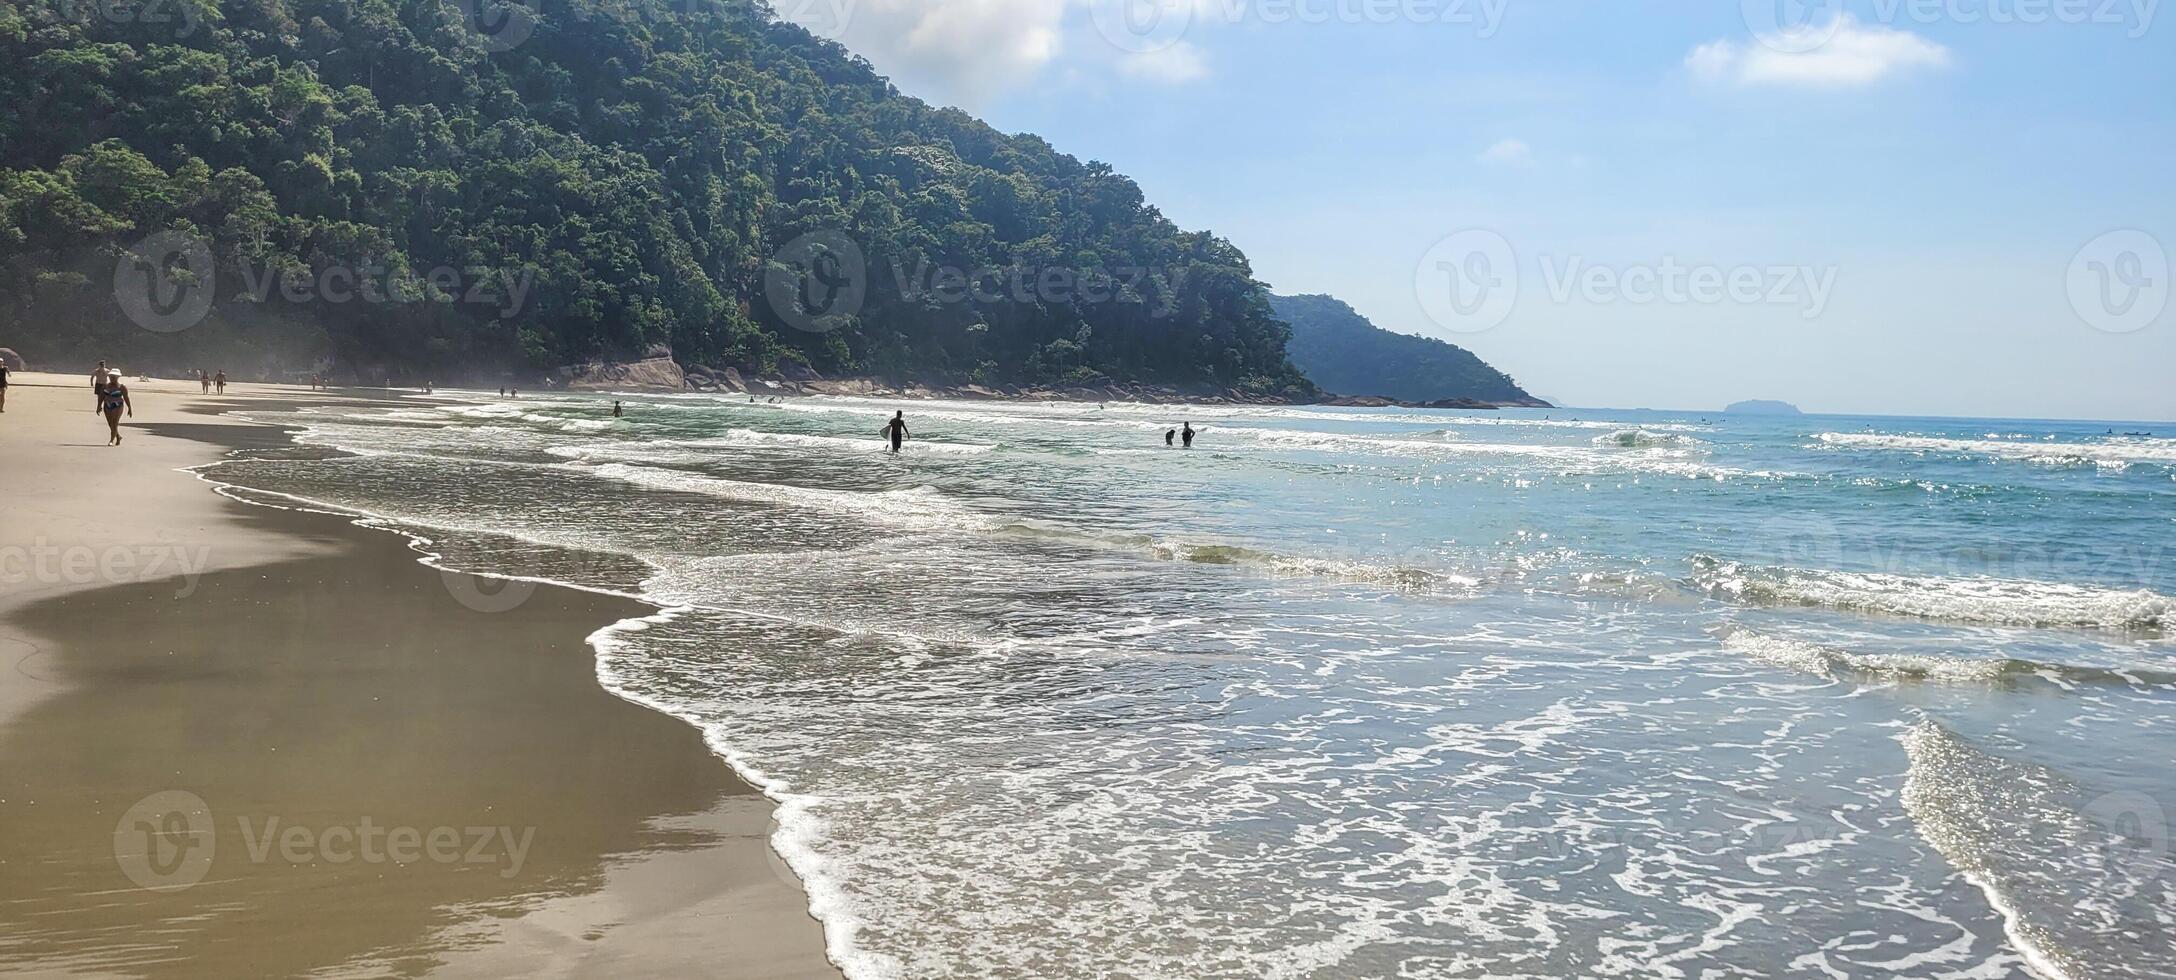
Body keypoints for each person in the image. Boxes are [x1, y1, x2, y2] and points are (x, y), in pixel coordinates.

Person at [94, 371, 131, 445]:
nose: (112, 378)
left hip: (118, 406)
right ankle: (118, 436)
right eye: (111, 377)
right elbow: (101, 396)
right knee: (110, 423)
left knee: (115, 423)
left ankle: (111, 440)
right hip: (107, 405)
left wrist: (130, 408)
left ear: (118, 377)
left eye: (114, 377)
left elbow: (126, 398)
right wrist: (98, 406)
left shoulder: (122, 387)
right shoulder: (105, 386)